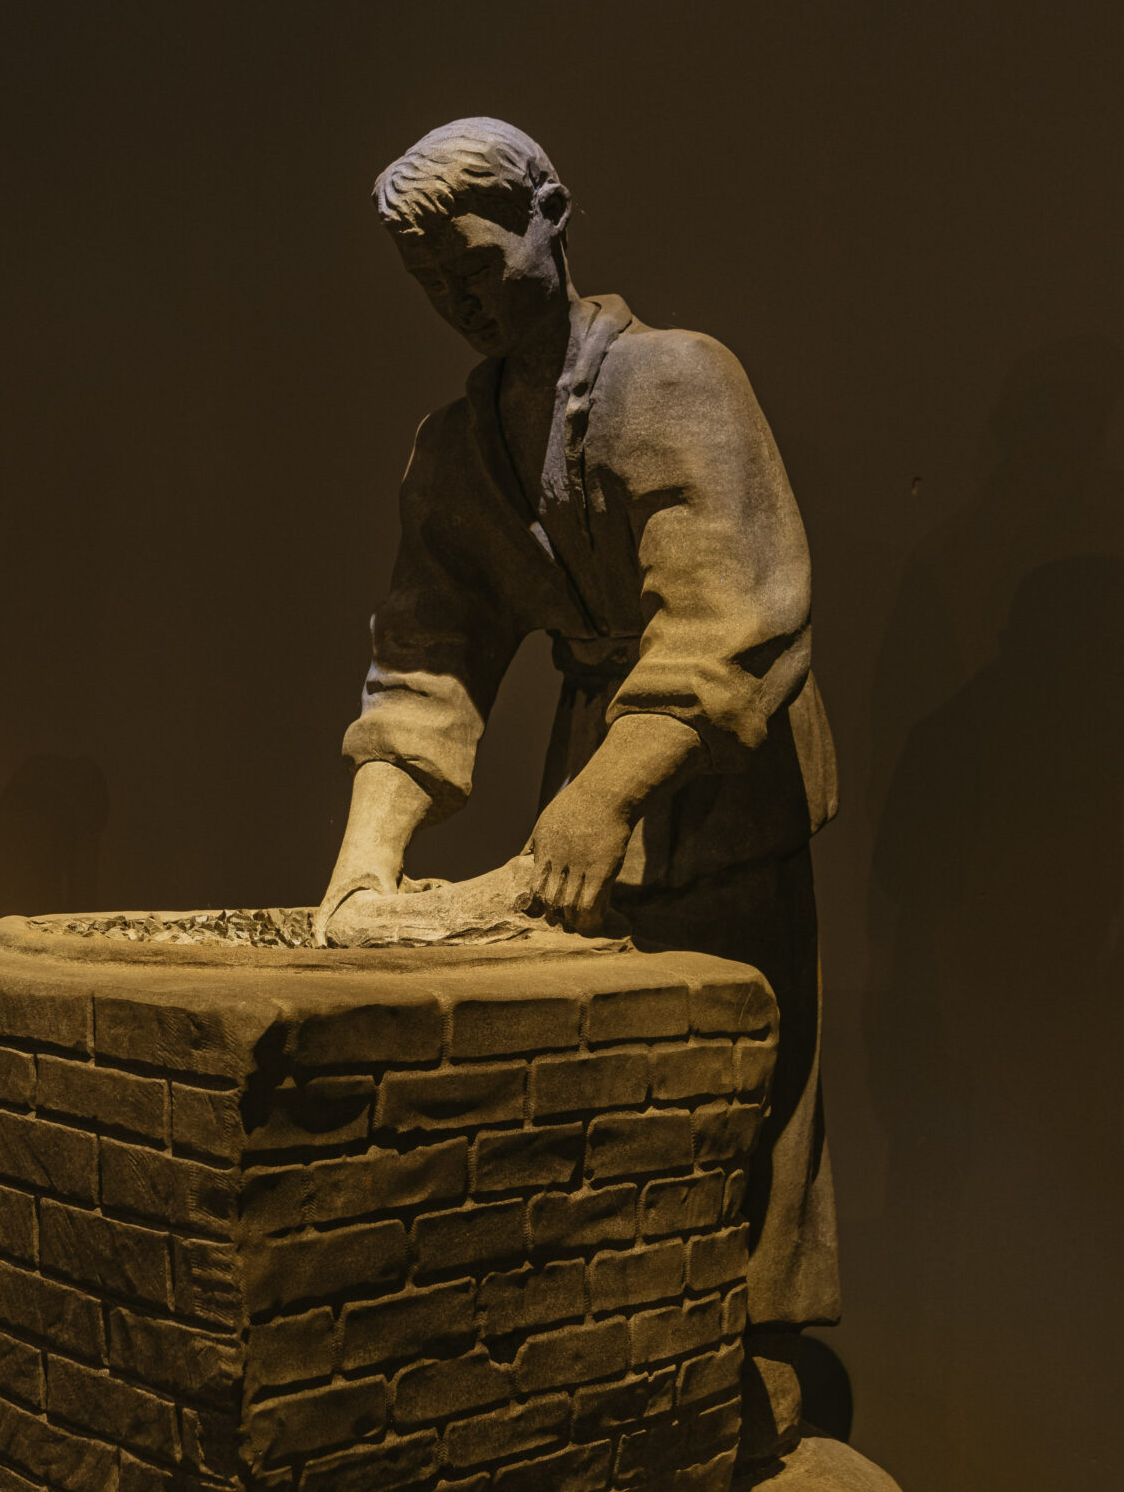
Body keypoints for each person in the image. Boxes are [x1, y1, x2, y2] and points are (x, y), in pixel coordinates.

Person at [318, 118, 838, 1331]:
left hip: (719, 781)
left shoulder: (675, 378)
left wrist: (602, 795)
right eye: (431, 285)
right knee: (611, 1096)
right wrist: (362, 862)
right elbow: (423, 661)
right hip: (592, 766)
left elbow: (729, 618)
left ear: (547, 214)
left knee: (742, 1087)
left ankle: (757, 1349)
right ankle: (624, 1345)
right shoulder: (455, 449)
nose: (460, 301)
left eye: (473, 263)